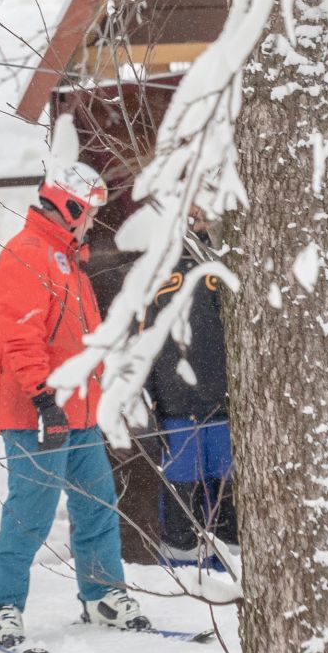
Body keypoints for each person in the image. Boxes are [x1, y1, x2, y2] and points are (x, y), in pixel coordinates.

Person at [0, 162, 152, 646]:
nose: (94, 222)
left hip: (78, 412)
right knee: (29, 514)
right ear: (70, 206)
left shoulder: (65, 257)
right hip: (40, 414)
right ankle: (4, 607)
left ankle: (102, 594)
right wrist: (43, 399)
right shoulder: (27, 254)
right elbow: (21, 338)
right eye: (91, 211)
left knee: (96, 505)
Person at [142, 209, 236, 568]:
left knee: (228, 501)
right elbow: (143, 343)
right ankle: (183, 577)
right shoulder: (153, 275)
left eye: (201, 214)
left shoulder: (227, 265)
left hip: (226, 409)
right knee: (183, 502)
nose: (195, 222)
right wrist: (148, 405)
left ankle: (234, 579)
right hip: (176, 411)